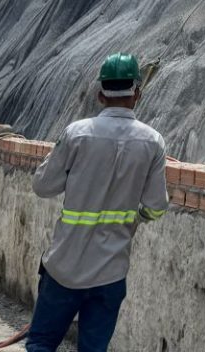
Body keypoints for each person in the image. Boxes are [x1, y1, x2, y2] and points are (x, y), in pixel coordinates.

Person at [26, 53, 168, 352]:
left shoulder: (77, 133)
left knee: (41, 344)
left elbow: (43, 186)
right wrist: (134, 219)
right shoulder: (153, 142)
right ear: (137, 93)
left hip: (64, 267)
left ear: (100, 93)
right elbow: (156, 206)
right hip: (110, 271)